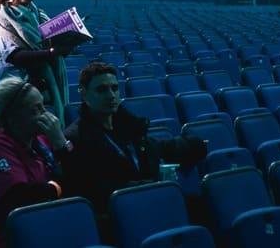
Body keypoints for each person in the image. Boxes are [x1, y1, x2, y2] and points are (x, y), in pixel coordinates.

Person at [61, 62, 207, 233]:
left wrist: (196, 145)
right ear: (84, 94)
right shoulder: (76, 137)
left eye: (114, 88)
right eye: (102, 90)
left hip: (149, 200)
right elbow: (93, 187)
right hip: (120, 216)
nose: (111, 95)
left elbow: (157, 147)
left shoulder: (127, 126)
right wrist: (150, 185)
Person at [0, 77, 73, 248]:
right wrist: (59, 185)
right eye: (36, 110)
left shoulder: (40, 138)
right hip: (16, 237)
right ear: (12, 117)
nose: (45, 115)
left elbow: (77, 175)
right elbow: (21, 197)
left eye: (43, 106)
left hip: (49, 222)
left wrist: (60, 144)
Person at [0, 0, 69, 123]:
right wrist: (50, 53)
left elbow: (50, 43)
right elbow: (13, 55)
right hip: (14, 83)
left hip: (42, 83)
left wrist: (68, 43)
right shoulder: (2, 16)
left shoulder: (37, 12)